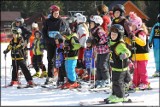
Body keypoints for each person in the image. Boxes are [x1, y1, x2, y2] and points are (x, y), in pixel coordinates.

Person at [104, 24, 131, 103]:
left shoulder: (120, 44)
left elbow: (128, 52)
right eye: (112, 34)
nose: (113, 36)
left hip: (121, 67)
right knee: (114, 81)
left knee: (118, 82)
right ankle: (115, 94)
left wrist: (125, 55)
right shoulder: (112, 42)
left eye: (115, 34)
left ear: (119, 35)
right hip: (115, 66)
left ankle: (120, 96)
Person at [42, 5, 66, 85]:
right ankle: (50, 76)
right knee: (50, 59)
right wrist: (47, 40)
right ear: (52, 13)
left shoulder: (61, 20)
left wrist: (60, 39)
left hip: (59, 43)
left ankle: (61, 77)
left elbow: (65, 31)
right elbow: (44, 32)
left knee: (60, 59)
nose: (56, 14)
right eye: (55, 13)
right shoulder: (47, 21)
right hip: (50, 43)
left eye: (58, 13)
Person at [125, 12, 150, 90]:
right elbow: (132, 43)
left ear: (138, 25)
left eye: (132, 26)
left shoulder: (141, 32)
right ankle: (135, 83)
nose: (131, 28)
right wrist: (126, 39)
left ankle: (145, 83)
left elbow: (143, 43)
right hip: (136, 56)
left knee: (142, 70)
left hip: (142, 55)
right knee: (136, 71)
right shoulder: (133, 33)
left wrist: (135, 38)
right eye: (131, 26)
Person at [90, 15, 110, 88]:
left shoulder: (100, 30)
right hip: (99, 51)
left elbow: (105, 39)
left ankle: (106, 79)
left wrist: (98, 41)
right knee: (98, 65)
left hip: (105, 50)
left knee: (103, 65)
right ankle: (100, 79)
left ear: (96, 23)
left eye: (92, 23)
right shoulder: (93, 31)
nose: (90, 24)